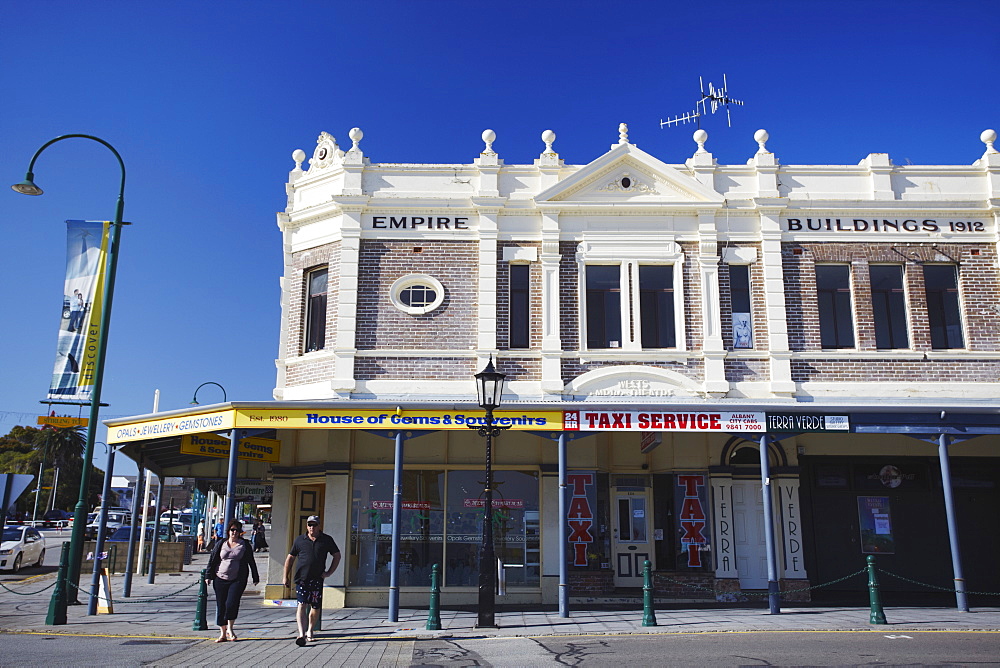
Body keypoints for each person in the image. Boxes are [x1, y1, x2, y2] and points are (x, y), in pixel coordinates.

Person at [283, 515, 341, 646]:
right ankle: (301, 634)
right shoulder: (300, 540)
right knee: (301, 604)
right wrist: (285, 576)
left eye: (314, 525)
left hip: (317, 579)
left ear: (319, 526)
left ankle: (310, 630)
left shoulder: (326, 540)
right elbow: (290, 558)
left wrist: (329, 572)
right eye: (309, 525)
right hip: (302, 579)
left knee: (315, 607)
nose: (311, 528)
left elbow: (337, 555)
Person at [205, 520, 259, 643]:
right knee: (221, 605)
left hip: (237, 579)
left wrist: (255, 577)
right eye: (232, 530)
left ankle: (230, 629)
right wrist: (208, 575)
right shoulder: (221, 543)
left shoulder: (244, 544)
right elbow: (212, 559)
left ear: (240, 532)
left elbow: (251, 561)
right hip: (220, 578)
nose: (234, 532)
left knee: (231, 603)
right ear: (228, 531)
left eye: (237, 530)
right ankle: (222, 633)